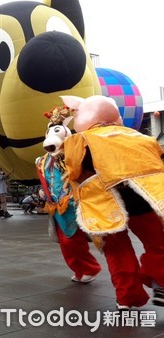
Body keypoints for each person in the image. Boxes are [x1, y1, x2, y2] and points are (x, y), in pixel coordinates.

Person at [61, 95, 164, 310]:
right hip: (142, 199)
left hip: (103, 202)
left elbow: (74, 172)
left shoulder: (78, 140)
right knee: (158, 245)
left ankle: (127, 298)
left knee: (118, 251)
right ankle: (159, 279)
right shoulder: (140, 137)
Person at [37, 104, 101, 284]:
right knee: (65, 243)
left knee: (73, 241)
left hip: (74, 203)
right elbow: (46, 178)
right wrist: (43, 191)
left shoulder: (75, 154)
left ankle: (89, 268)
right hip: (57, 205)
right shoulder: (44, 161)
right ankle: (81, 269)